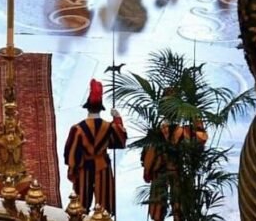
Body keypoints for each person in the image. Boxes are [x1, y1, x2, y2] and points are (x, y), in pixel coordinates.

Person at [64, 79, 127, 214]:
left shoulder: (78, 129)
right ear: (101, 108)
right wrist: (117, 119)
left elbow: (72, 154)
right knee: (104, 208)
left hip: (84, 168)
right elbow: (120, 142)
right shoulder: (109, 127)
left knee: (80, 206)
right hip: (103, 167)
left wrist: (72, 170)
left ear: (87, 107)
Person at [142, 117, 209, 220]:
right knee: (175, 207)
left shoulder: (157, 133)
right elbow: (201, 138)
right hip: (176, 172)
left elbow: (148, 157)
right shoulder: (184, 132)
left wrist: (147, 171)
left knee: (161, 208)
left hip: (165, 172)